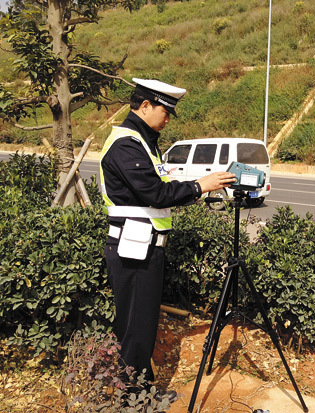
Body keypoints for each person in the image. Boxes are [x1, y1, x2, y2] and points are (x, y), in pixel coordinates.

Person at [99, 78, 235, 402]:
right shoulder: (126, 144)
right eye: (165, 110)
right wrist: (200, 186)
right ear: (145, 106)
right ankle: (132, 401)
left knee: (141, 327)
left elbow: (158, 185)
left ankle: (140, 394)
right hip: (133, 252)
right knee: (135, 330)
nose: (168, 118)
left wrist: (192, 188)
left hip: (145, 249)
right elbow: (156, 193)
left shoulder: (145, 143)